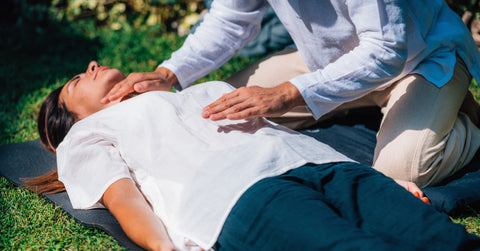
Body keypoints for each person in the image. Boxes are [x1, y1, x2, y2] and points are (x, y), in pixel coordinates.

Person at [27, 61, 480, 251]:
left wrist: (381, 181)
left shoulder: (200, 90)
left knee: (443, 239)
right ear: (74, 117)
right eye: (76, 81)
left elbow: (275, 131)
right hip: (240, 196)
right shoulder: (86, 136)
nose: (90, 66)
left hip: (326, 167)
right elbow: (123, 198)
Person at [99, 0, 480, 189]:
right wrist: (170, 72)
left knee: (402, 170)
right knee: (216, 108)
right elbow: (230, 19)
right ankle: (368, 106)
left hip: (421, 57)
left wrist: (288, 93)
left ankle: (466, 126)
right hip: (333, 61)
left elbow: (385, 49)